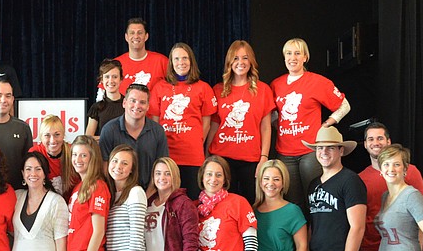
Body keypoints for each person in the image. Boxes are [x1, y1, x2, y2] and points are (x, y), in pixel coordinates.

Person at [270, 38, 350, 211]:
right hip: (285, 153)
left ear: (305, 57)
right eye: (289, 53)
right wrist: (281, 126)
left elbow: (344, 105)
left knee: (314, 200)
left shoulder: (317, 82)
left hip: (310, 151)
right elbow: (271, 114)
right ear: (284, 57)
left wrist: (326, 125)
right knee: (292, 204)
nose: (293, 58)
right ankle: (300, 238)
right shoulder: (276, 84)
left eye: (297, 53)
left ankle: (316, 236)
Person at [358, 122, 423, 251]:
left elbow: (422, 222)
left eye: (380, 138)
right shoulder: (361, 178)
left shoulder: (410, 171)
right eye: (370, 139)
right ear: (365, 144)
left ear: (388, 141)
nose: (375, 142)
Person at [206, 40, 275, 203]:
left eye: (245, 58)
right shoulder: (218, 90)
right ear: (229, 62)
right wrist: (207, 154)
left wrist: (264, 157)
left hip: (251, 160)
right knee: (221, 206)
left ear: (251, 61)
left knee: (252, 205)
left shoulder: (263, 90)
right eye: (236, 58)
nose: (240, 63)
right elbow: (214, 124)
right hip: (222, 158)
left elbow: (266, 128)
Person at [149, 43, 216, 201]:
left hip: (192, 155)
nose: (181, 62)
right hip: (167, 155)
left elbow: (207, 122)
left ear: (191, 61)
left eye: (185, 58)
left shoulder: (203, 88)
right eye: (177, 58)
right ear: (171, 63)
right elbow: (154, 121)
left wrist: (198, 141)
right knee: (168, 202)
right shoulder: (159, 87)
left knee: (192, 201)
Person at [99, 83, 169, 189]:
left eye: (142, 102)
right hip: (117, 195)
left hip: (150, 195)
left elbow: (162, 167)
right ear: (124, 103)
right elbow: (104, 167)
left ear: (148, 106)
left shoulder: (158, 131)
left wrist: (147, 197)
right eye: (133, 101)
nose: (137, 106)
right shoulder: (109, 130)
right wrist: (117, 195)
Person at [96, 18, 169, 100]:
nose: (136, 36)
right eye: (132, 33)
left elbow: (175, 89)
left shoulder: (162, 61)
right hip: (121, 112)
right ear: (126, 37)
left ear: (146, 36)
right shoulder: (115, 64)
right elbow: (101, 94)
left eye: (140, 33)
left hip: (154, 113)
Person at [29, 114, 80, 198]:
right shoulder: (35, 153)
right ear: (41, 137)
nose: (52, 140)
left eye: (57, 134)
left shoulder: (73, 153)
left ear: (63, 135)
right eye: (47, 135)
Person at [86, 59, 125, 138]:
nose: (111, 81)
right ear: (101, 80)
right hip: (103, 149)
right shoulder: (96, 107)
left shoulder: (128, 105)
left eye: (115, 77)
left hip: (125, 149)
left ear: (121, 79)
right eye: (107, 77)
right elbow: (88, 138)